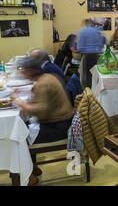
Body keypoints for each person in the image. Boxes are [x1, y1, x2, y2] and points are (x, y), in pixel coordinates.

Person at [12, 56, 74, 185]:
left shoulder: (43, 83)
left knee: (18, 138)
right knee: (21, 126)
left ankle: (28, 176)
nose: (21, 73)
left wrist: (18, 101)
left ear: (30, 71)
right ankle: (30, 167)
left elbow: (41, 110)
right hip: (59, 121)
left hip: (59, 127)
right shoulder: (46, 77)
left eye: (23, 70)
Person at [77, 19, 106, 89]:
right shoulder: (98, 31)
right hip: (97, 56)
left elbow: (80, 47)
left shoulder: (82, 32)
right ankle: (97, 91)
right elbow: (102, 45)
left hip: (87, 56)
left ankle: (89, 92)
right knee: (96, 74)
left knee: (88, 76)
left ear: (86, 24)